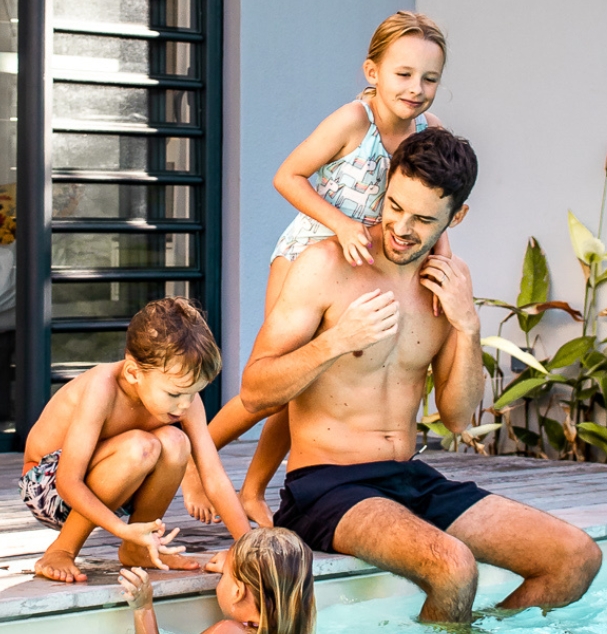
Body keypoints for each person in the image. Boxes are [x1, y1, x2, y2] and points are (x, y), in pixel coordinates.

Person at [240, 128, 603, 624]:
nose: (401, 228)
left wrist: (467, 324)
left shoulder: (449, 283)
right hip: (325, 488)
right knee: (453, 566)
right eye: (395, 207)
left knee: (575, 557)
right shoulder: (325, 267)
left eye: (423, 218)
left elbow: (456, 416)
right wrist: (336, 342)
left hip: (408, 479)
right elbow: (255, 390)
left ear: (457, 217)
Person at [180, 10, 451, 527]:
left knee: (307, 388)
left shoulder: (427, 132)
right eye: (403, 74)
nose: (416, 89)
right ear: (372, 72)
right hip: (312, 252)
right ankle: (199, 457)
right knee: (275, 378)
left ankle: (255, 489)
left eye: (430, 78)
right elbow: (288, 176)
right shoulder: (355, 121)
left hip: (365, 265)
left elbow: (435, 205)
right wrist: (341, 224)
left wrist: (444, 264)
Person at [20, 297, 252, 583]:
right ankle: (62, 549)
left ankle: (136, 547)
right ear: (133, 373)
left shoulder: (184, 400)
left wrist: (249, 546)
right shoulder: (102, 388)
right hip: (49, 486)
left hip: (118, 481)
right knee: (141, 446)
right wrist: (120, 528)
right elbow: (68, 481)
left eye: (194, 393)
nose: (184, 405)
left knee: (175, 441)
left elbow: (214, 477)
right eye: (175, 394)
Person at [119, 527, 315, 634]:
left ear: (238, 592)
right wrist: (233, 564)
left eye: (225, 576)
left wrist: (143, 608)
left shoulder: (229, 632)